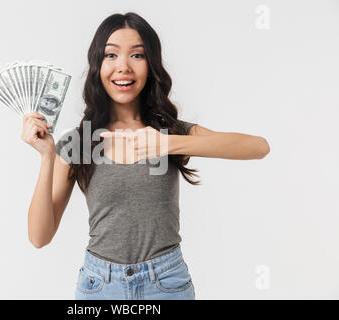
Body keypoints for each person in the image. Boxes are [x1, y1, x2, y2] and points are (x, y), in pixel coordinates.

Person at [21, 12, 270, 300]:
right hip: (99, 286)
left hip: (166, 284)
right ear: (97, 67)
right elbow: (39, 237)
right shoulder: (79, 141)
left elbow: (258, 147)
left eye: (137, 55)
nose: (123, 67)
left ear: (150, 66)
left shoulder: (168, 133)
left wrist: (168, 144)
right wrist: (46, 156)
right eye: (111, 55)